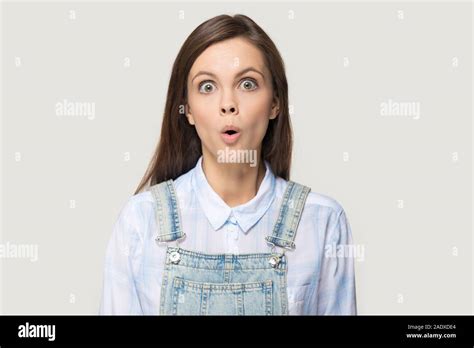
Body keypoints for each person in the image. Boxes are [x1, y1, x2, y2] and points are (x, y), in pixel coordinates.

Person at [99, 14, 357, 315]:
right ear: (189, 110)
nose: (227, 104)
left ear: (275, 103)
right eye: (207, 87)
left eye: (247, 84)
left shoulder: (322, 221)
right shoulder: (140, 222)